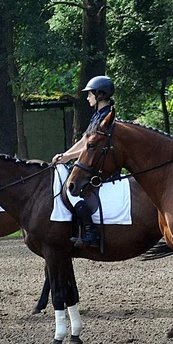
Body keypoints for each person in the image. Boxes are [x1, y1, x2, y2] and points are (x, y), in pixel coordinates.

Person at [52, 75, 116, 247]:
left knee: (72, 192)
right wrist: (64, 155)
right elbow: (84, 142)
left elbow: (91, 148)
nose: (87, 98)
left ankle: (91, 232)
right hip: (92, 164)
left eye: (90, 94)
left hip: (101, 167)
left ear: (99, 95)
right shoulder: (97, 116)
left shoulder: (106, 118)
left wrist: (67, 157)